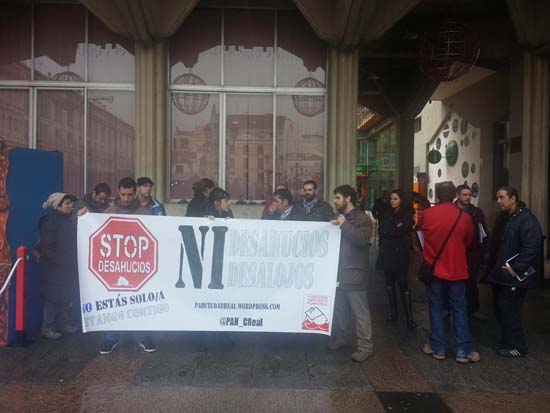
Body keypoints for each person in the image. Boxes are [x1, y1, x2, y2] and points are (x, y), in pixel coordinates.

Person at [421, 181, 480, 364]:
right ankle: (462, 350)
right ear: (454, 195)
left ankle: (437, 348)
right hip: (457, 269)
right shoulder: (464, 217)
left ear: (437, 195)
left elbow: (421, 235)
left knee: (436, 308)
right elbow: (468, 241)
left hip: (435, 268)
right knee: (459, 309)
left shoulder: (427, 214)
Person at [99, 178, 155, 354]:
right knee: (114, 301)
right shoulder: (109, 211)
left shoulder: (145, 212)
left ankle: (142, 336)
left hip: (137, 264)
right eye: (123, 194)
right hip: (117, 265)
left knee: (139, 302)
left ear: (135, 193)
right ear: (118, 192)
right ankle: (111, 337)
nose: (126, 198)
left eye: (130, 194)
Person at [487, 186, 543, 357]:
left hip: (513, 277)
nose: (498, 201)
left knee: (510, 311)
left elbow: (532, 247)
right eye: (497, 197)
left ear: (513, 199)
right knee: (501, 309)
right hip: (501, 276)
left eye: (501, 197)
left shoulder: (526, 219)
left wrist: (516, 268)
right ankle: (507, 341)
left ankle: (518, 346)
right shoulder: (505, 218)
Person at [328, 185, 374, 362]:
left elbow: (362, 240)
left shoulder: (362, 219)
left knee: (359, 312)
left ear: (348, 199)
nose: (335, 201)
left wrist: (344, 225)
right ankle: (343, 338)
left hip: (354, 273)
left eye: (338, 198)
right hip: (338, 272)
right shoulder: (339, 218)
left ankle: (366, 347)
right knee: (340, 308)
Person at [38, 192, 79, 340]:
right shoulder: (49, 222)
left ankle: (63, 324)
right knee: (53, 297)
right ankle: (48, 327)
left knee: (65, 295)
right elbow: (47, 247)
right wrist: (62, 263)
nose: (71, 206)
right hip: (53, 268)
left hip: (66, 266)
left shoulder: (67, 220)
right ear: (58, 205)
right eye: (67, 203)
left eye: (70, 203)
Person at [378, 190, 416, 329]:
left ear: (401, 200)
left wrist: (391, 230)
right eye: (391, 199)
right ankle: (394, 313)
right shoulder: (388, 213)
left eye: (395, 199)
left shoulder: (407, 215)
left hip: (400, 254)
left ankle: (409, 318)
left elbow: (396, 230)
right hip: (388, 252)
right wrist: (392, 229)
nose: (392, 201)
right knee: (389, 284)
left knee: (403, 284)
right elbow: (384, 229)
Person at [455, 184, 488, 320]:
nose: (468, 197)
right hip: (455, 252)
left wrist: (481, 254)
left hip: (472, 253)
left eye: (469, 195)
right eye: (465, 195)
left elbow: (483, 233)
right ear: (457, 195)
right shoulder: (452, 210)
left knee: (471, 281)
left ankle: (472, 309)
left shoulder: (476, 212)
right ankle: (449, 308)